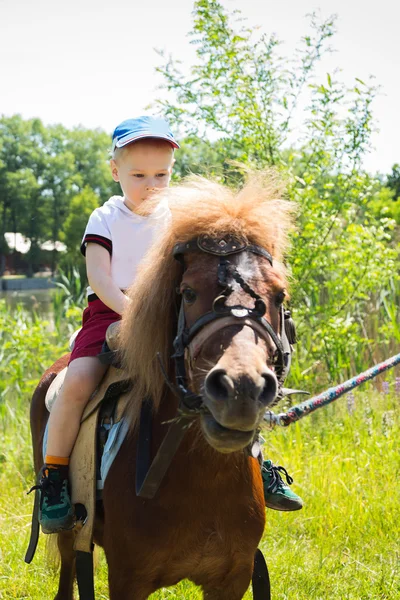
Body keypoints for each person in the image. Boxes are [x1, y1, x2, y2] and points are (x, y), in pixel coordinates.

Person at [33, 116, 302, 535]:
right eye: (139, 174)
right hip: (112, 311)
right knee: (78, 383)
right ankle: (54, 479)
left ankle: (257, 460)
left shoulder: (177, 220)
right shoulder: (104, 218)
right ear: (115, 171)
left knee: (223, 372)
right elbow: (100, 279)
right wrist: (132, 311)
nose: (151, 185)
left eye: (162, 174)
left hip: (169, 314)